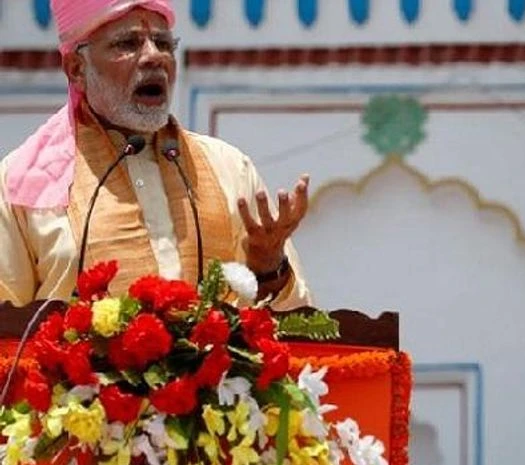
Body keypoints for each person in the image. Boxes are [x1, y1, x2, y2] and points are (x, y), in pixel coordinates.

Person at [0, 0, 311, 310]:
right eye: (127, 43)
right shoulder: (24, 182)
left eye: (164, 43)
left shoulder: (228, 168)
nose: (154, 57)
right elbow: (7, 331)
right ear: (77, 69)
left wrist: (271, 270)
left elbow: (296, 325)